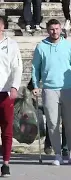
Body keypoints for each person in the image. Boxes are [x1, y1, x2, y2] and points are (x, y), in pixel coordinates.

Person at [32, 19, 71, 166]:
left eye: (57, 29)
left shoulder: (68, 46)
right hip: (49, 89)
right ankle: (58, 154)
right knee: (53, 124)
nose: (55, 31)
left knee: (70, 123)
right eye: (52, 29)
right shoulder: (41, 47)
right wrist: (35, 84)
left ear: (61, 29)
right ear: (48, 30)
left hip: (68, 89)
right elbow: (35, 68)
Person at [0, 16, 23, 177]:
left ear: (3, 27)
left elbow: (18, 67)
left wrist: (15, 86)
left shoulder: (11, 45)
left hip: (6, 92)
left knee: (7, 129)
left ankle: (6, 163)